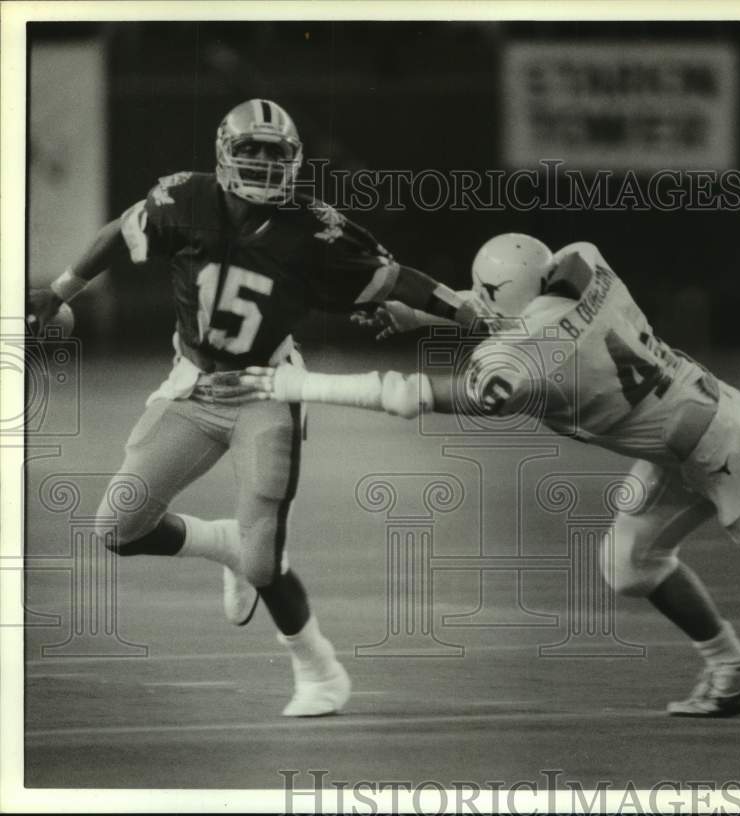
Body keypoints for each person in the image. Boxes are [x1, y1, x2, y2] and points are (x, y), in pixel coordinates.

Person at [238, 234, 740, 718]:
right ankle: (734, 669)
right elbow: (530, 321)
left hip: (733, 457)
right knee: (630, 563)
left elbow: (411, 395)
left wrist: (301, 384)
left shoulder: (519, 361)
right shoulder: (584, 260)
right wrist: (430, 315)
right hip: (687, 442)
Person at [26, 98, 479, 717]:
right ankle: (222, 546)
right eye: (252, 151)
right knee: (117, 528)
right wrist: (58, 292)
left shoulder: (315, 226)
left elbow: (396, 279)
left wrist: (468, 312)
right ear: (224, 154)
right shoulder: (184, 199)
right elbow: (118, 234)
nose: (264, 164)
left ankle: (319, 670)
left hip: (267, 389)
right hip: (194, 385)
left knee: (266, 561)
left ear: (294, 161)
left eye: (276, 153)